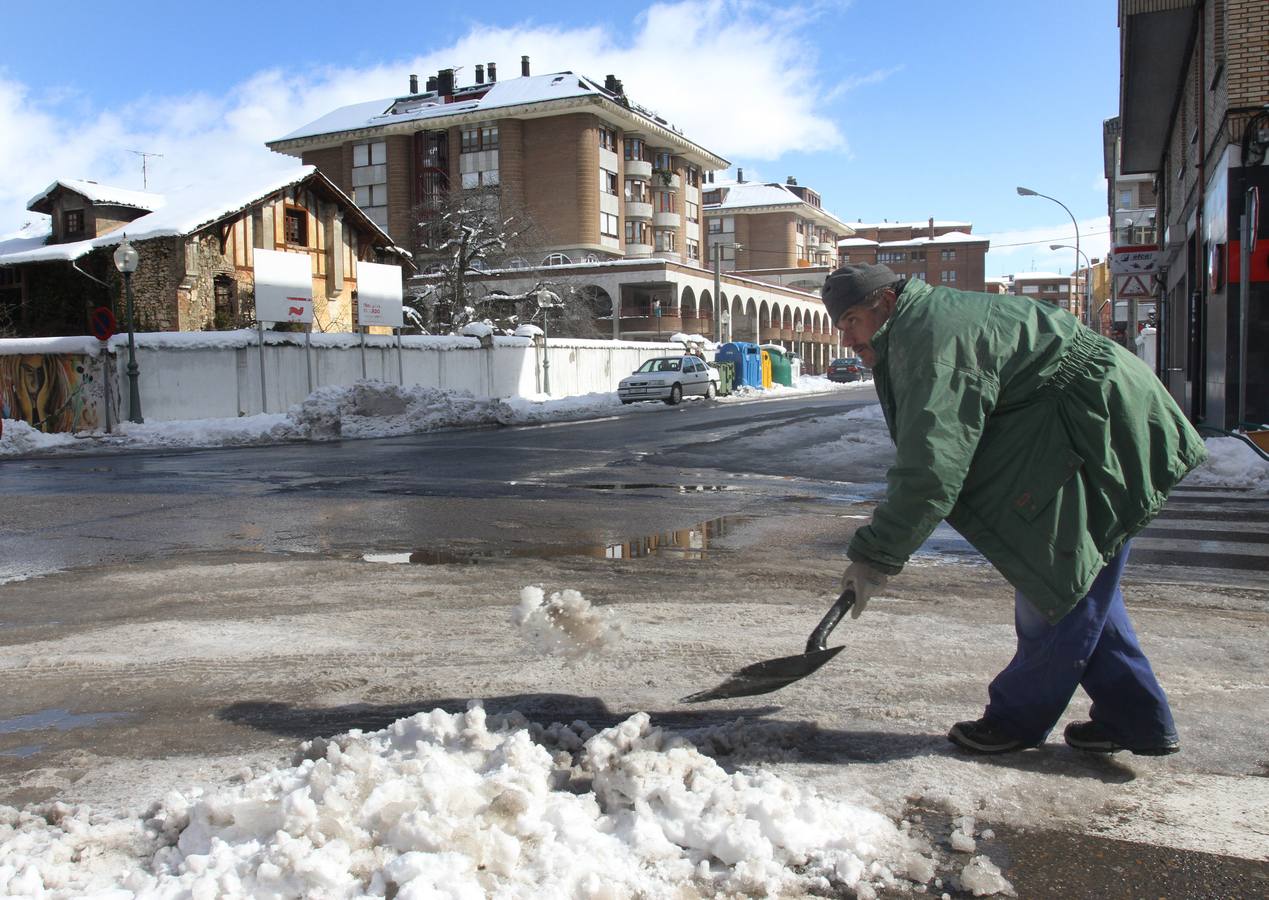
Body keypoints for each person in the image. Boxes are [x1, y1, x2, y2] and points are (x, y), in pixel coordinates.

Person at [821, 263, 1206, 756]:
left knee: (1055, 586)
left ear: (887, 303)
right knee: (1077, 585)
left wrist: (877, 555)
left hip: (1103, 429)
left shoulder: (932, 341)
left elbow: (931, 469)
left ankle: (1017, 719)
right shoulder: (920, 326)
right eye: (841, 326)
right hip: (1084, 423)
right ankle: (1135, 719)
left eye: (852, 319)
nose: (848, 336)